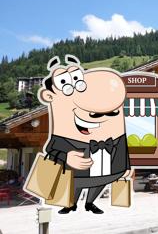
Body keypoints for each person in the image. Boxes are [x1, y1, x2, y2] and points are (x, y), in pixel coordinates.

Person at [37, 55, 132, 215]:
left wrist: (127, 166)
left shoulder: (116, 136)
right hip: (77, 172)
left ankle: (90, 203)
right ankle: (70, 204)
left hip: (106, 170)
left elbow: (122, 148)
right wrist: (66, 157)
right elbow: (52, 150)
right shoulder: (63, 137)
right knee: (77, 182)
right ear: (49, 96)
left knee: (100, 182)